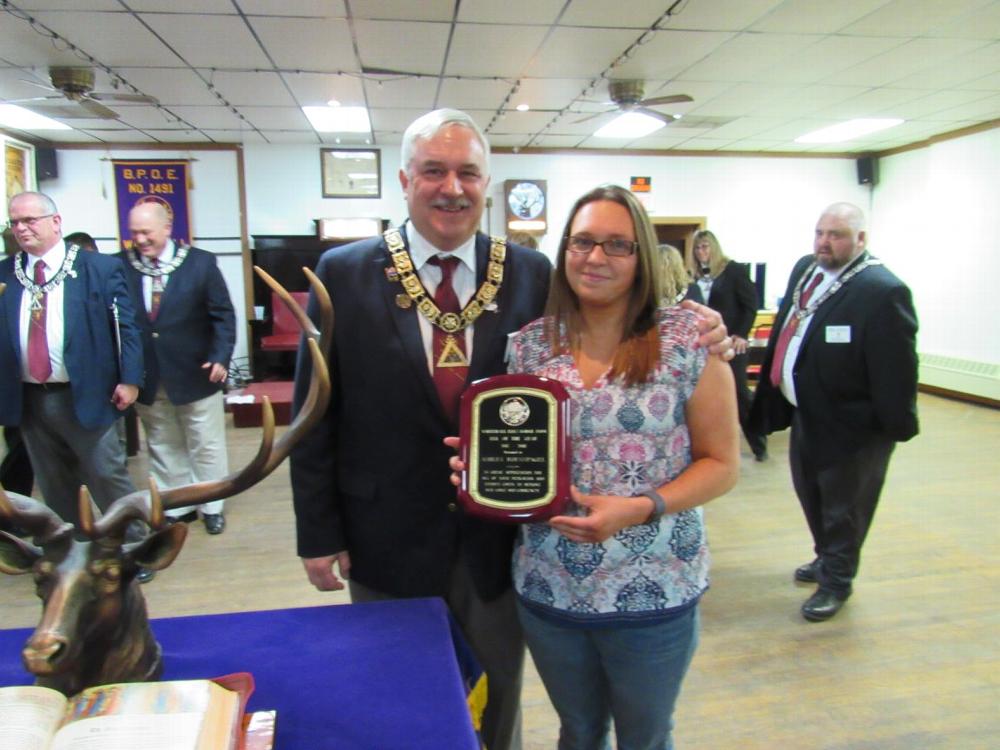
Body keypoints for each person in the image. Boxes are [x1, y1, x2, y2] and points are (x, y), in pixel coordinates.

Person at [289, 109, 733, 750]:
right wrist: (319, 533)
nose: (452, 187)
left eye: (468, 172)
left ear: (487, 182)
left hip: (502, 543)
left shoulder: (530, 275)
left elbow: (617, 328)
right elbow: (314, 416)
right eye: (434, 171)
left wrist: (708, 326)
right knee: (398, 699)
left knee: (498, 702)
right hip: (382, 534)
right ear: (405, 178)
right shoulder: (343, 273)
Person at [449, 185, 739, 750]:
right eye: (582, 242)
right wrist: (483, 473)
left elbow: (723, 464)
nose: (596, 258)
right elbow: (513, 443)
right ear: (564, 252)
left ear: (642, 257)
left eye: (617, 245)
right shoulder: (530, 346)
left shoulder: (686, 339)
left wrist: (640, 507)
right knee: (578, 732)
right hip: (549, 585)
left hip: (654, 587)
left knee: (645, 736)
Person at [750, 202, 918, 622]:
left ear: (861, 240)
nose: (825, 242)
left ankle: (837, 581)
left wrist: (892, 428)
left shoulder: (881, 290)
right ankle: (826, 558)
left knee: (845, 507)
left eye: (837, 235)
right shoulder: (808, 269)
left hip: (855, 426)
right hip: (808, 413)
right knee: (812, 494)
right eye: (820, 232)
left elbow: (897, 369)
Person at [0, 192, 148, 569]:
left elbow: (128, 328)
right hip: (30, 397)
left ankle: (133, 550)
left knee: (105, 476)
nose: (22, 228)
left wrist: (130, 380)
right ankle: (73, 554)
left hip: (88, 393)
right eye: (15, 222)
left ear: (55, 222)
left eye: (30, 220)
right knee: (54, 482)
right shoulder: (5, 272)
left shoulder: (97, 268)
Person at [119, 202, 236, 534]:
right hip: (147, 374)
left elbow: (223, 316)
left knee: (205, 441)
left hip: (196, 370)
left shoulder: (200, 263)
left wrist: (221, 356)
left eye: (146, 232)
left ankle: (212, 503)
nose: (139, 240)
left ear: (167, 228)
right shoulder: (119, 265)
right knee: (162, 440)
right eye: (134, 233)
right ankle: (177, 504)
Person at [687, 229, 768, 461]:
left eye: (705, 247)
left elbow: (750, 305)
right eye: (697, 248)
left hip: (731, 342)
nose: (701, 252)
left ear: (714, 248)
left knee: (740, 394)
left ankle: (758, 441)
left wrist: (741, 334)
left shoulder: (733, 271)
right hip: (704, 345)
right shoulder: (693, 276)